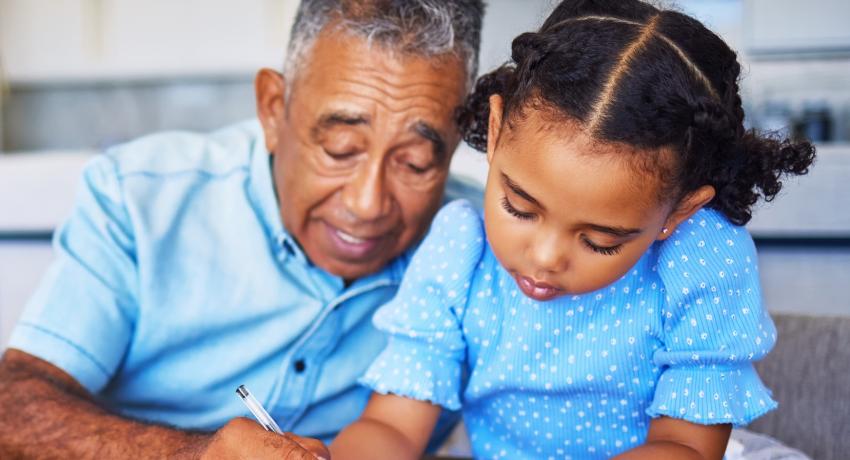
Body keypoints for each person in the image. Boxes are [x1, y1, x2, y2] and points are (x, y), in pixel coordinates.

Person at [330, 1, 816, 459]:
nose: (544, 257)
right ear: (495, 135)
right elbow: (392, 426)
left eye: (599, 241)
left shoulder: (701, 258)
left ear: (678, 212)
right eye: (519, 208)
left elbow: (686, 446)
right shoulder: (460, 251)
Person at [0, 1, 485, 458]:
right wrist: (191, 454)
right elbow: (13, 412)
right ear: (274, 109)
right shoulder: (140, 200)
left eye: (415, 163)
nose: (367, 204)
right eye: (340, 149)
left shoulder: (491, 249)